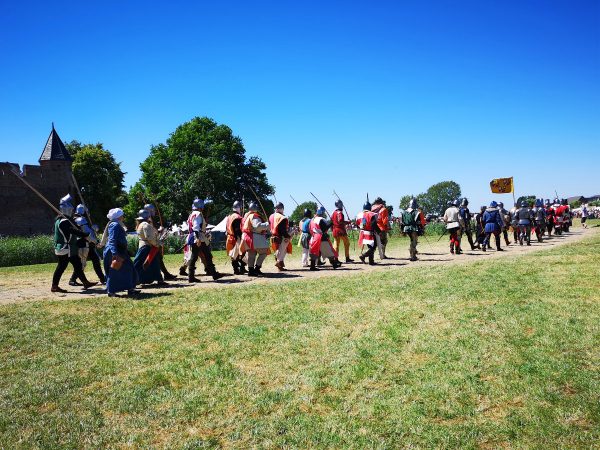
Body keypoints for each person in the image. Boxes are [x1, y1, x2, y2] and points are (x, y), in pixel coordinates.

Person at [51, 195, 97, 293]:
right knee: (61, 267)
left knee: (77, 264)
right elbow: (73, 231)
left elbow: (75, 229)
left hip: (67, 248)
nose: (72, 212)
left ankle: (85, 282)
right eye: (70, 210)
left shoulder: (59, 220)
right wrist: (86, 235)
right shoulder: (64, 221)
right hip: (65, 248)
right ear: (66, 210)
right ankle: (54, 286)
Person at [183, 198, 224, 282]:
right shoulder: (198, 214)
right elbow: (196, 227)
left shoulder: (191, 214)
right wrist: (198, 238)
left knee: (195, 256)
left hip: (194, 236)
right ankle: (213, 274)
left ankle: (192, 276)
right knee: (206, 256)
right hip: (198, 237)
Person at [103, 208, 139, 297]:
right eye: (122, 215)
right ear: (118, 216)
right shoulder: (114, 225)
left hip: (120, 251)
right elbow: (112, 240)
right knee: (114, 271)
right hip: (114, 251)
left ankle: (130, 289)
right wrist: (114, 254)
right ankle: (111, 292)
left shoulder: (117, 224)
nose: (123, 217)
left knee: (129, 269)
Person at [69, 204, 106, 286]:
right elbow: (87, 234)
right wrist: (96, 242)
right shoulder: (80, 219)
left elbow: (89, 231)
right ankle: (72, 280)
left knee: (96, 261)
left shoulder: (79, 219)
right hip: (83, 244)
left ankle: (103, 279)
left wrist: (93, 228)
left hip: (88, 245)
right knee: (82, 264)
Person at [144, 204, 177, 280]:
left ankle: (166, 275)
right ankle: (159, 277)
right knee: (156, 260)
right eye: (153, 210)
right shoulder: (147, 219)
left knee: (159, 258)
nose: (154, 212)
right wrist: (158, 231)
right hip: (150, 243)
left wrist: (159, 231)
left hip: (153, 242)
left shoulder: (149, 219)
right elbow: (149, 232)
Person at [133, 209, 165, 286]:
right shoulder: (145, 224)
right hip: (147, 247)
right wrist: (157, 244)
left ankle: (159, 280)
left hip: (146, 246)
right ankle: (135, 279)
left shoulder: (141, 224)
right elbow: (149, 237)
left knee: (154, 263)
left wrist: (158, 232)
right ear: (148, 216)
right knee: (139, 264)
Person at [240, 201, 271, 276]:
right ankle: (257, 268)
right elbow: (257, 226)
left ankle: (251, 271)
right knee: (264, 252)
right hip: (253, 237)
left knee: (251, 254)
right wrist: (267, 224)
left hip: (247, 237)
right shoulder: (254, 216)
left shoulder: (246, 216)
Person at [309, 206, 341, 270]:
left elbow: (310, 229)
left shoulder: (313, 219)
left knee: (314, 251)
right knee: (328, 250)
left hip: (314, 237)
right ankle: (334, 264)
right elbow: (324, 228)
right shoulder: (321, 219)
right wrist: (331, 223)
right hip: (321, 237)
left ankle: (312, 266)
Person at [269, 202, 292, 271]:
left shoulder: (271, 216)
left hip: (273, 236)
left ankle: (280, 266)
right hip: (280, 237)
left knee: (282, 250)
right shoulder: (282, 217)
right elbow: (282, 229)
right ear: (281, 209)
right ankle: (278, 262)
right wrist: (287, 236)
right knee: (282, 251)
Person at [225, 201, 247, 274]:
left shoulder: (229, 216)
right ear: (239, 208)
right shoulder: (237, 217)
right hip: (236, 237)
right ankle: (240, 269)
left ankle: (237, 269)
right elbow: (237, 229)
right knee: (240, 253)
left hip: (230, 237)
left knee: (234, 254)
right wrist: (240, 237)